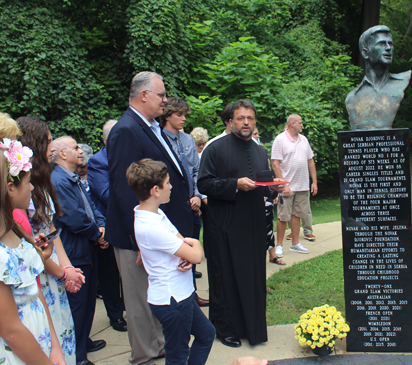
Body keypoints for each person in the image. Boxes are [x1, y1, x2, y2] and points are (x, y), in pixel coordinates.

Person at [106, 71, 193, 365]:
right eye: (161, 95)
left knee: (154, 295)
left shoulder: (150, 126)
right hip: (138, 237)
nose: (165, 100)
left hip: (156, 232)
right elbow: (123, 188)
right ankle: (145, 355)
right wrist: (140, 241)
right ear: (144, 95)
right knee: (140, 300)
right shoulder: (127, 130)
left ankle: (158, 346)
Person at [198, 99, 283, 347]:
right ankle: (226, 330)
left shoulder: (259, 150)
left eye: (250, 118)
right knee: (226, 279)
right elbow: (204, 184)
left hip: (254, 226)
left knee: (253, 278)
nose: (246, 123)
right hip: (224, 227)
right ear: (230, 121)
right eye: (240, 118)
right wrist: (234, 184)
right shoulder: (214, 149)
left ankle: (252, 328)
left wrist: (274, 188)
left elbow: (262, 184)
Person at [0, 144, 66, 365]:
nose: (31, 188)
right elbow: (11, 330)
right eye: (28, 183)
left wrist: (54, 347)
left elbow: (34, 292)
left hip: (39, 341)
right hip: (15, 353)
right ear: (10, 188)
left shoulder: (15, 230)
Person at [127, 158, 215, 364]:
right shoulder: (151, 225)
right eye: (168, 183)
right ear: (156, 191)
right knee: (177, 356)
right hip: (172, 300)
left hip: (180, 294)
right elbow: (196, 256)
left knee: (206, 333)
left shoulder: (154, 213)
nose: (171, 186)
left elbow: (177, 242)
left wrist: (184, 250)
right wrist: (195, 244)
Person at [17, 116, 84, 365]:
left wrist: (67, 268)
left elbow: (52, 231)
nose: (52, 148)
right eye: (47, 142)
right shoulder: (21, 186)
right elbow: (32, 245)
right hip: (41, 271)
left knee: (64, 328)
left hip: (54, 266)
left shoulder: (42, 182)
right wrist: (61, 273)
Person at [51, 136, 107, 365]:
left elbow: (91, 205)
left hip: (87, 245)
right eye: (75, 148)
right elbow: (74, 218)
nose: (80, 151)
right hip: (75, 250)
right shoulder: (58, 181)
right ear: (62, 154)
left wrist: (101, 226)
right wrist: (97, 234)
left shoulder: (72, 177)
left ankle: (84, 341)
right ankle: (78, 355)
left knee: (88, 301)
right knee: (78, 304)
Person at [161, 98, 208, 307]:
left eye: (185, 115)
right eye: (179, 115)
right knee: (174, 253)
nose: (183, 119)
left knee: (191, 249)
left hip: (193, 206)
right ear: (167, 115)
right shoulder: (159, 139)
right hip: (171, 207)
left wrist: (197, 195)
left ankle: (192, 295)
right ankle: (174, 298)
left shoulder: (188, 140)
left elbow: (197, 171)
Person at [87, 119, 127, 332]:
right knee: (111, 275)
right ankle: (115, 315)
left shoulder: (128, 156)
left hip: (129, 222)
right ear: (106, 140)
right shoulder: (97, 161)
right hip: (108, 224)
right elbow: (105, 194)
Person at [345, 25, 411, 130]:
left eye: (390, 43)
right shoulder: (352, 98)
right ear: (365, 53)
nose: (388, 48)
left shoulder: (402, 82)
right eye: (381, 44)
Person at [271, 114, 318, 258]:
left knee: (297, 215)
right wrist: (283, 185)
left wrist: (314, 181)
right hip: (287, 186)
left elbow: (310, 161)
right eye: (300, 123)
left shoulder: (304, 140)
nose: (302, 125)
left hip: (302, 186)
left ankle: (295, 244)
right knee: (283, 217)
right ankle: (279, 246)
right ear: (292, 124)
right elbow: (275, 163)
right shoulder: (280, 139)